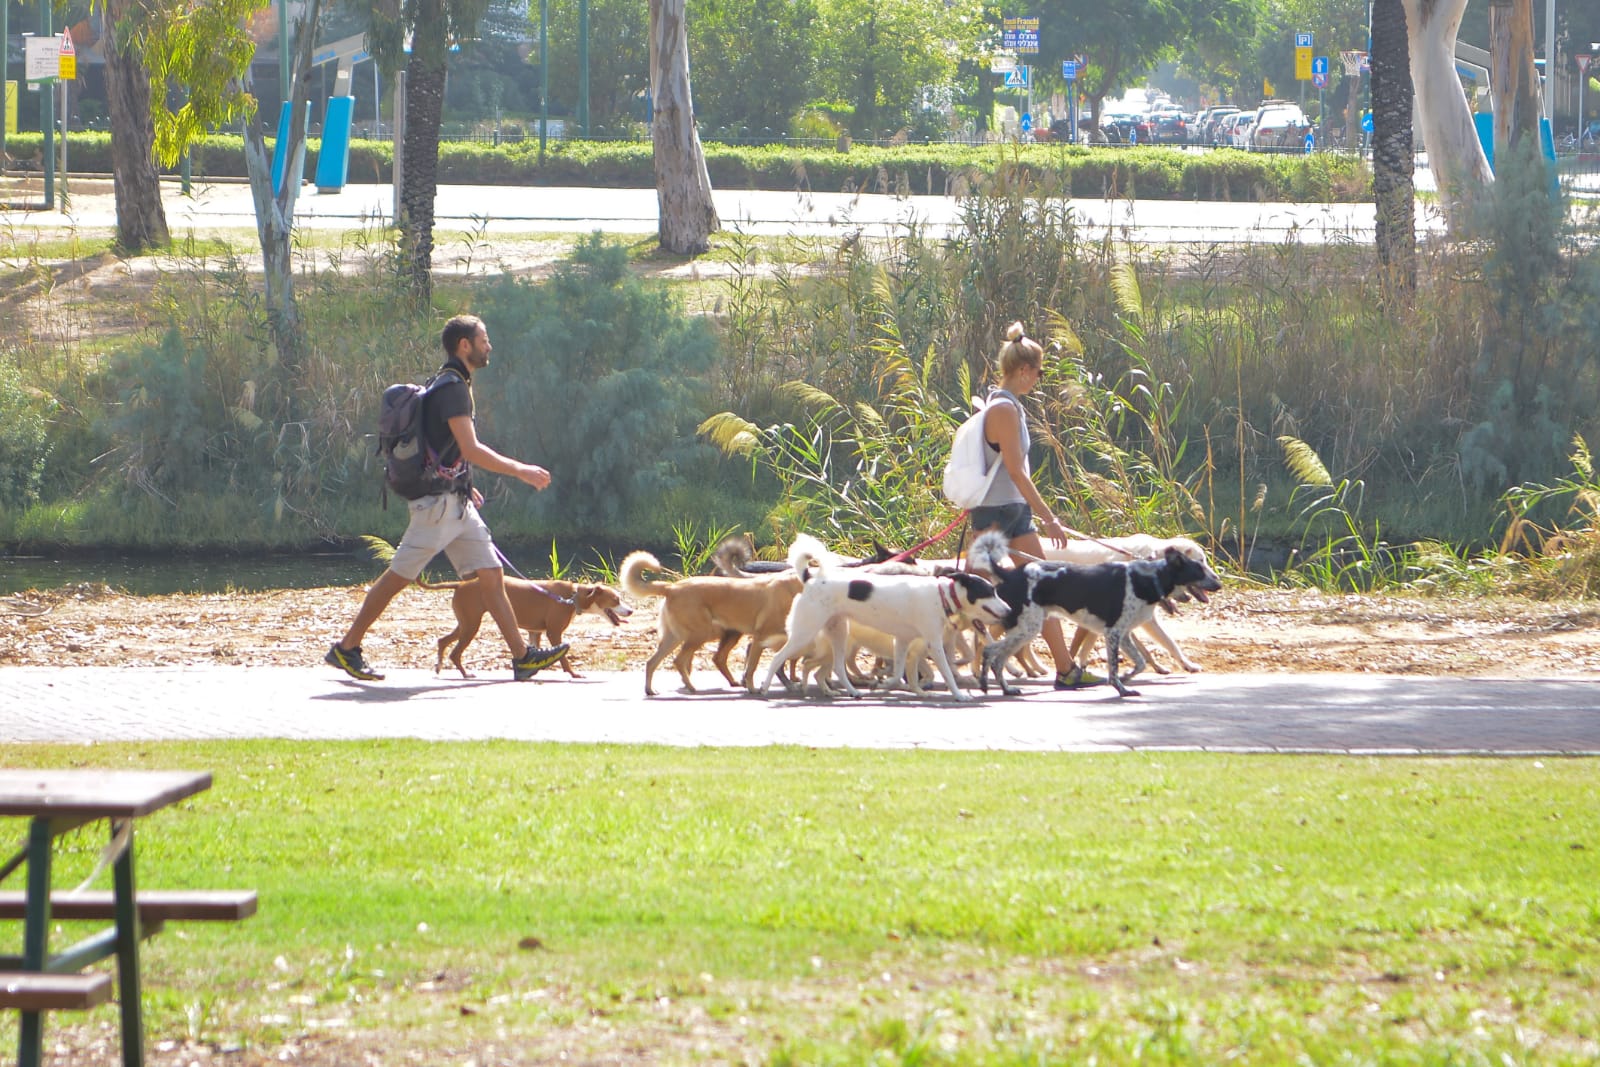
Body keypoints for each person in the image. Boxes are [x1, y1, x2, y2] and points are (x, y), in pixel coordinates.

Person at [326, 314, 568, 682]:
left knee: (491, 574)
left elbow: (446, 448)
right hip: (437, 509)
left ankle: (522, 657)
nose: (489, 346)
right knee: (397, 578)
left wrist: (463, 483)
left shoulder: (448, 383)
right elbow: (470, 448)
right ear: (464, 345)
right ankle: (347, 648)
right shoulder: (452, 388)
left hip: (455, 503)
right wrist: (521, 470)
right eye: (484, 339)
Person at [965, 322, 1097, 689]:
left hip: (1008, 509)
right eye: (1038, 372)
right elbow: (1016, 472)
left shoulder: (1007, 405)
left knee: (1043, 588)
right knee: (974, 592)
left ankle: (1067, 669)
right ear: (1023, 371)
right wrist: (1049, 517)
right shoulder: (1004, 410)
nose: (1039, 378)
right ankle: (954, 660)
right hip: (1001, 511)